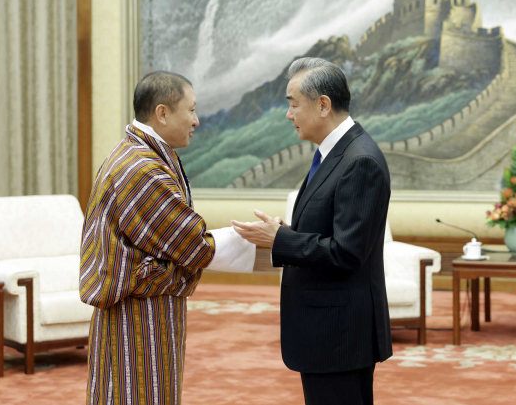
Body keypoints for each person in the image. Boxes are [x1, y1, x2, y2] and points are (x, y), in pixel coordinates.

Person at [80, 71, 254, 405]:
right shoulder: (139, 168)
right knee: (135, 396)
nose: (197, 120)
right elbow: (192, 245)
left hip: (145, 310)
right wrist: (264, 242)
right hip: (135, 315)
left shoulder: (139, 155)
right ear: (162, 113)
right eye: (190, 110)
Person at [232, 57, 392, 405]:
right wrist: (284, 232)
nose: (288, 115)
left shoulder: (359, 160)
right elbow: (328, 231)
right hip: (326, 330)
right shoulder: (334, 153)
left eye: (293, 105)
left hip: (340, 334)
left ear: (323, 105)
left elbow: (347, 252)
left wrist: (280, 240)